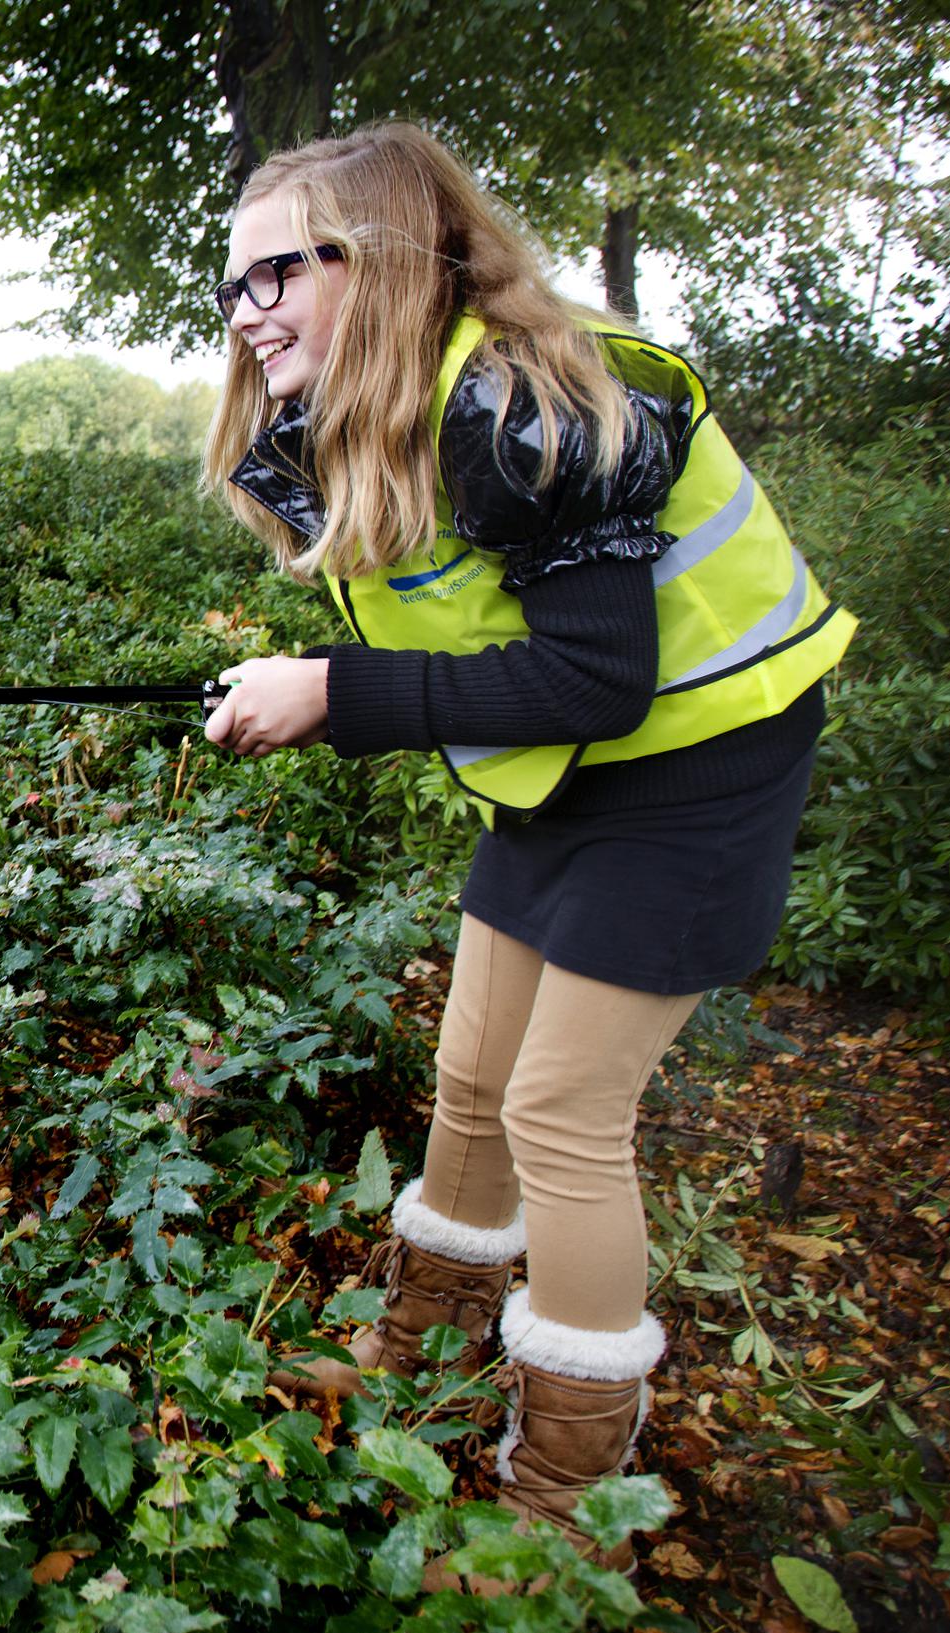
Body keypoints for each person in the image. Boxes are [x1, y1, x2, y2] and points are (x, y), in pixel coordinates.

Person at [197, 124, 853, 1585]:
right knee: (473, 1071)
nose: (246, 313)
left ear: (381, 261)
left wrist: (336, 694)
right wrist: (318, 680)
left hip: (696, 768)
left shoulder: (524, 402)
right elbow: (500, 649)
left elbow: (600, 677)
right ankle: (421, 1354)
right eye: (231, 286)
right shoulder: (375, 413)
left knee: (561, 1111)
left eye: (276, 274)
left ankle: (562, 1505)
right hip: (569, 768)